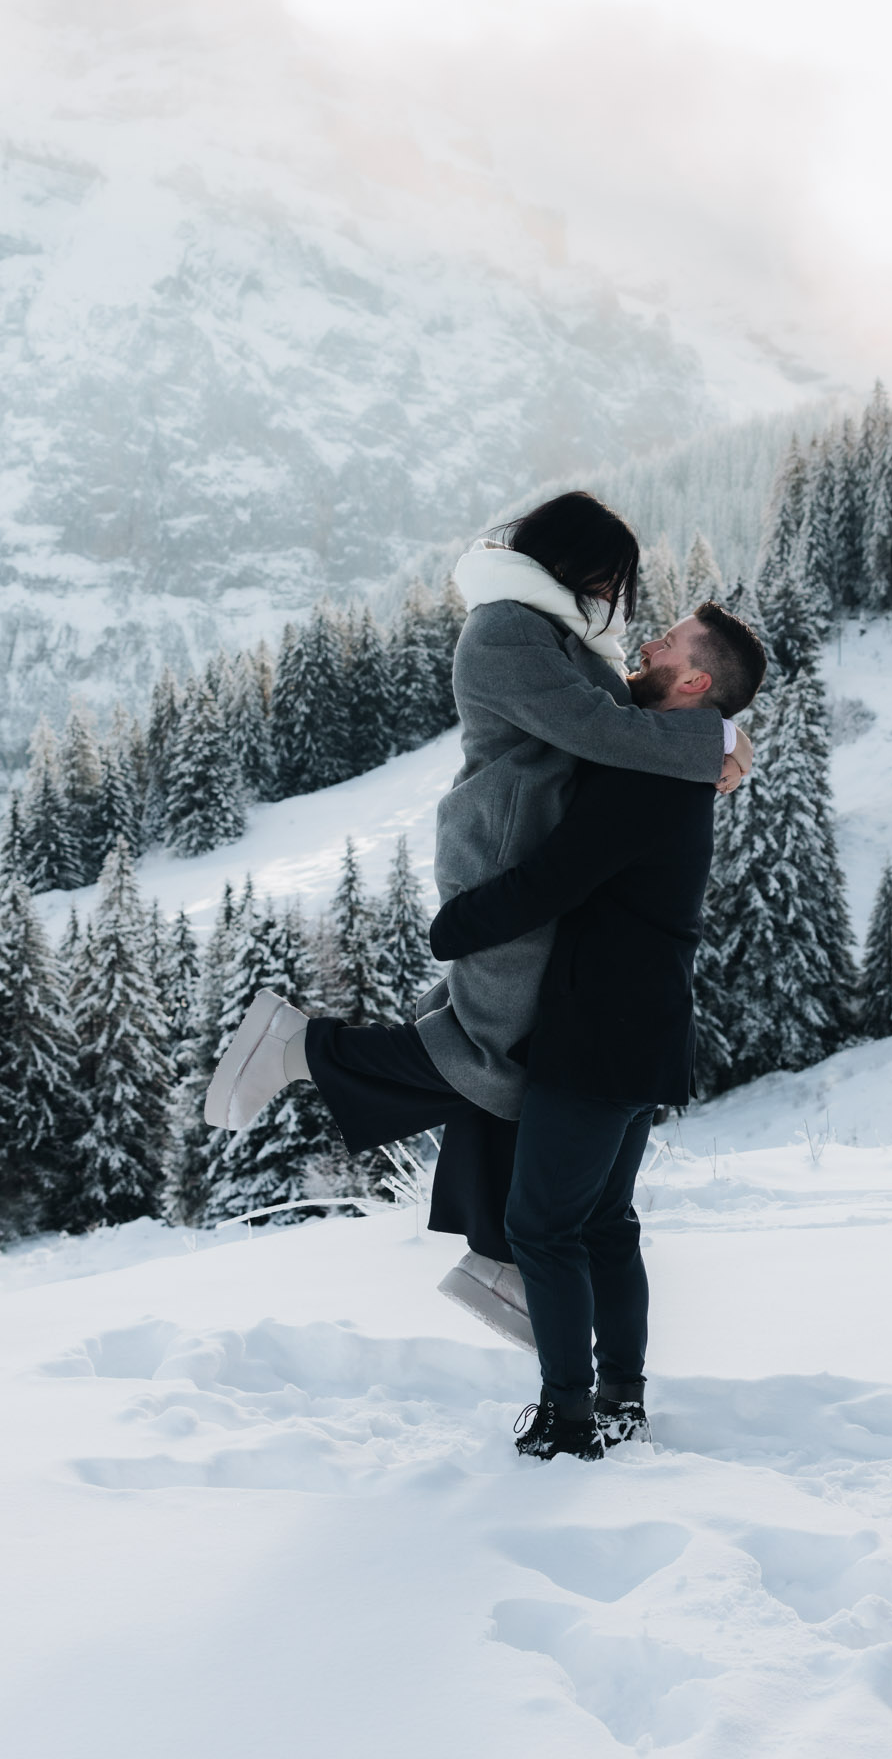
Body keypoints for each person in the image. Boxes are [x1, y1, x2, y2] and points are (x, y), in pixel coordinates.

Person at [205, 493, 747, 1342]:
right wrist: (711, 740)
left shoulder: (553, 630)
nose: (619, 599)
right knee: (490, 1055)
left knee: (516, 1061)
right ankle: (300, 1048)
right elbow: (595, 726)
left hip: (532, 862)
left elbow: (627, 713)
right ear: (574, 564)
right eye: (610, 576)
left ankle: (500, 1259)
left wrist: (716, 736)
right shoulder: (505, 630)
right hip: (506, 861)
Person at [429, 601, 767, 1459]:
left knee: (545, 1226)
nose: (647, 641)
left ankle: (568, 1418)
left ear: (693, 681)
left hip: (598, 1031)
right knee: (605, 1223)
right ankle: (619, 1396)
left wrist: (453, 929)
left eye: (667, 642)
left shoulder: (646, 774)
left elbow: (554, 879)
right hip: (644, 1030)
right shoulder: (674, 765)